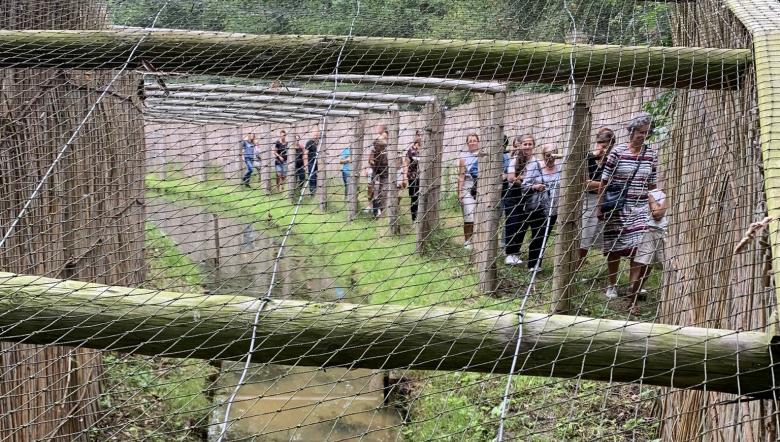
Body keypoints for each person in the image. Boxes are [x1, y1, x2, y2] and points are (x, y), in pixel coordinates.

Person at [597, 113, 658, 300]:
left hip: (640, 207)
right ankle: (612, 284)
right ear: (631, 131)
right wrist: (600, 206)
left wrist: (654, 206)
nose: (643, 135)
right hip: (618, 206)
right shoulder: (617, 152)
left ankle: (633, 287)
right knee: (615, 247)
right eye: (640, 132)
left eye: (647, 132)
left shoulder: (651, 155)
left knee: (637, 246)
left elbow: (652, 184)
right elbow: (604, 181)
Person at [575, 127, 616, 273]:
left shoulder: (613, 161)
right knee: (583, 236)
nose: (601, 148)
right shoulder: (588, 158)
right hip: (587, 199)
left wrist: (595, 184)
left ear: (611, 145)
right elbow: (581, 182)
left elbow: (614, 184)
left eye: (605, 146)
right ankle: (575, 268)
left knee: (604, 237)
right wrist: (603, 184)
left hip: (606, 201)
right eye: (599, 144)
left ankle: (600, 270)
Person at [519, 144, 561, 272]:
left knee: (545, 235)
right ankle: (532, 265)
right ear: (543, 155)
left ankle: (537, 263)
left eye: (553, 156)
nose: (551, 159)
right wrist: (535, 187)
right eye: (548, 155)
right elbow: (524, 186)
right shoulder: (535, 167)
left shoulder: (560, 169)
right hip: (537, 207)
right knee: (537, 234)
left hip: (553, 208)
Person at [632, 186, 667, 307]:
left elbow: (657, 211)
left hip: (668, 236)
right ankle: (632, 302)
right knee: (644, 269)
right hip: (651, 232)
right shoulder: (654, 193)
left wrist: (658, 205)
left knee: (670, 269)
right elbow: (657, 215)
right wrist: (668, 200)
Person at [503, 135, 535, 265]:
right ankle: (509, 253)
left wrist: (521, 178)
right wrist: (527, 180)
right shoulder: (515, 160)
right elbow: (511, 178)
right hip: (513, 195)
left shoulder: (535, 161)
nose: (527, 146)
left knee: (523, 224)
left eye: (529, 144)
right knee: (512, 223)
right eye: (525, 144)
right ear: (521, 145)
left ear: (533, 145)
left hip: (528, 196)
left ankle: (516, 252)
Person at [457, 133, 480, 250]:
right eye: (470, 141)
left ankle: (478, 240)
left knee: (479, 216)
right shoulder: (463, 158)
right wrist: (459, 192)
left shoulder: (483, 156)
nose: (472, 143)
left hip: (481, 188)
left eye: (474, 140)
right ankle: (467, 241)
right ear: (467, 144)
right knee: (469, 215)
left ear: (478, 142)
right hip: (468, 187)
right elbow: (461, 176)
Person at [368, 125, 389, 218]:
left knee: (384, 191)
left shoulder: (388, 150)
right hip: (375, 170)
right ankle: (374, 211)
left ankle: (381, 211)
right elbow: (370, 160)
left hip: (385, 172)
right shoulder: (374, 149)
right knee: (374, 189)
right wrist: (374, 161)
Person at [404, 136, 421, 221]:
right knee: (413, 197)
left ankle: (418, 216)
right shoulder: (410, 151)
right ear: (417, 144)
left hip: (420, 178)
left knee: (419, 196)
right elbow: (406, 164)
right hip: (412, 177)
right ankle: (414, 218)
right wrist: (404, 177)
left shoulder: (421, 152)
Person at [304, 128, 321, 196]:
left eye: (317, 135)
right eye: (315, 135)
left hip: (317, 163)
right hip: (311, 163)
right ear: (312, 135)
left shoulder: (319, 142)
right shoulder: (309, 142)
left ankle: (315, 192)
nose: (316, 136)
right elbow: (305, 153)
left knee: (316, 178)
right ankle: (312, 193)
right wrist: (305, 165)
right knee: (312, 177)